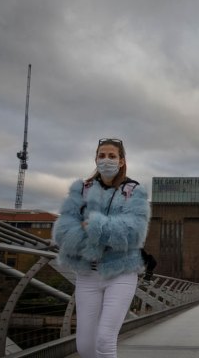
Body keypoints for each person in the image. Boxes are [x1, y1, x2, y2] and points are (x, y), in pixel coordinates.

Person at [52, 138, 150, 358]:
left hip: (121, 272)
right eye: (102, 155)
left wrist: (94, 226)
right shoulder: (81, 190)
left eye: (112, 156)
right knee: (85, 347)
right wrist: (107, 231)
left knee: (105, 341)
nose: (106, 160)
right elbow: (62, 231)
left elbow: (134, 233)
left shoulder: (134, 191)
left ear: (122, 161)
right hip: (87, 273)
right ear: (95, 159)